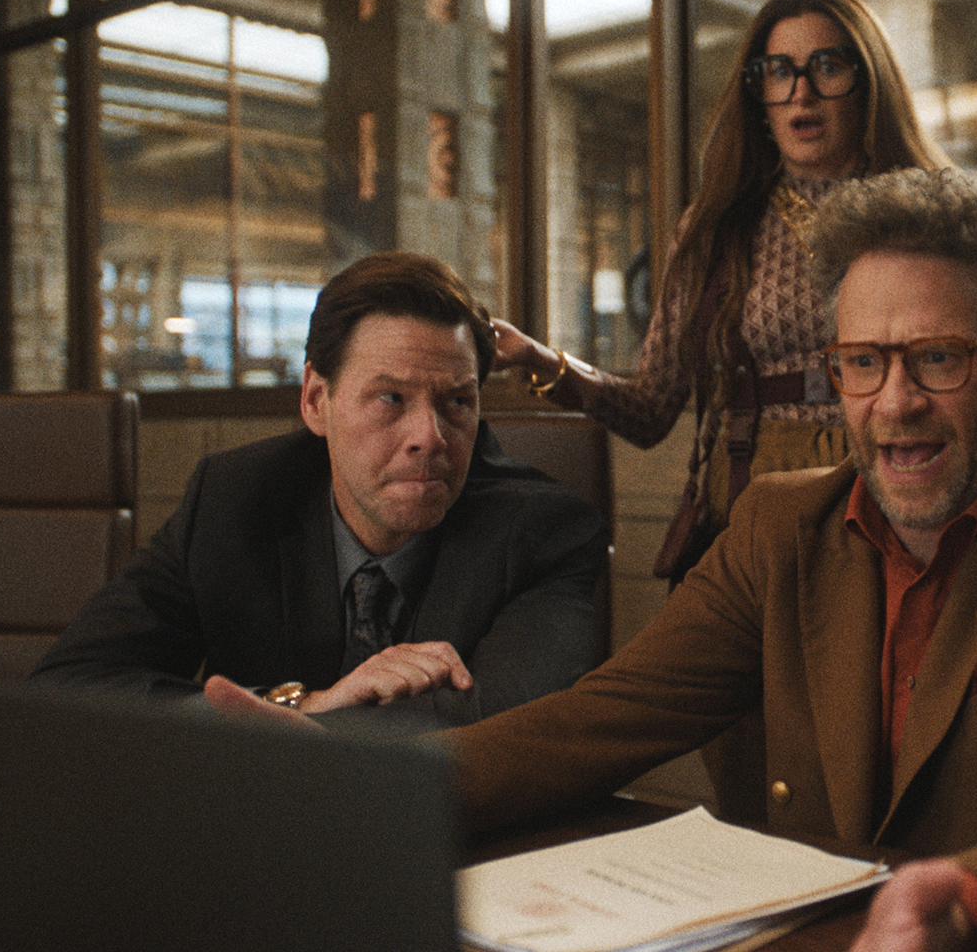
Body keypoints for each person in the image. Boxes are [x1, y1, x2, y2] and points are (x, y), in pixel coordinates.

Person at [212, 168, 977, 952]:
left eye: (941, 357)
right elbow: (595, 723)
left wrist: (974, 898)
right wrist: (343, 794)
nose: (895, 403)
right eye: (862, 364)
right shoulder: (783, 525)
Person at [492, 0, 950, 819]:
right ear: (756, 92)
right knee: (748, 773)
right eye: (778, 71)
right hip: (747, 517)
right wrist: (542, 363)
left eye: (826, 66)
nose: (802, 92)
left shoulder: (929, 211)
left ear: (867, 78)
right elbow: (652, 408)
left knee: (888, 770)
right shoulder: (719, 229)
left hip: (898, 508)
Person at [32, 251, 608, 735]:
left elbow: (503, 731)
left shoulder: (544, 532)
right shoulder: (234, 500)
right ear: (315, 401)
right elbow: (71, 686)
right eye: (390, 399)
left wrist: (283, 731)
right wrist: (306, 702)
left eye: (457, 401)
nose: (429, 437)